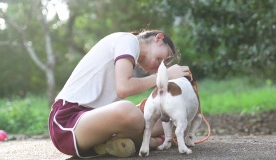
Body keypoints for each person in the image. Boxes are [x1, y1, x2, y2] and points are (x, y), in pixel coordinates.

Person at [48, 30, 190, 158]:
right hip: (68, 121)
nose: (162, 65)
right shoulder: (128, 40)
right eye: (164, 57)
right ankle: (151, 142)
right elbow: (123, 88)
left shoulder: (129, 54)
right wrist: (164, 76)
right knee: (129, 112)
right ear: (158, 38)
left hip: (94, 121)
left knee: (165, 118)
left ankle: (110, 145)